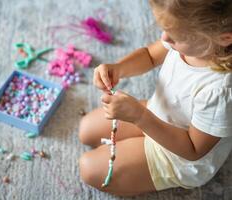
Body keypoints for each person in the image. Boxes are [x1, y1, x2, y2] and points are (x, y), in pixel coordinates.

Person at [78, 0, 232, 197]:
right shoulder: (188, 39)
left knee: (88, 168)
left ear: (224, 38)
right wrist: (118, 69)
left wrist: (139, 116)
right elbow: (150, 56)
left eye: (175, 37)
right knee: (86, 129)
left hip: (177, 156)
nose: (165, 38)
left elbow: (193, 149)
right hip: (157, 112)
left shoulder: (221, 91)